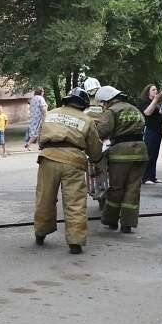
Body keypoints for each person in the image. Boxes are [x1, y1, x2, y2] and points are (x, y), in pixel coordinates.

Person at [34, 87, 103, 254]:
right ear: (83, 104)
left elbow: (41, 139)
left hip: (48, 158)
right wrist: (95, 158)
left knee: (45, 197)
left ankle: (40, 234)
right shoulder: (86, 119)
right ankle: (75, 242)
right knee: (75, 202)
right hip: (73, 161)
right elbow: (94, 149)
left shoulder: (50, 114)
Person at [94, 86, 147, 233]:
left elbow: (102, 131)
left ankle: (110, 221)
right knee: (133, 189)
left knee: (116, 188)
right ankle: (127, 224)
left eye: (103, 103)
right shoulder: (134, 109)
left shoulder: (112, 111)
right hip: (140, 152)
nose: (103, 106)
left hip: (121, 154)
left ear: (107, 100)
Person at [138, 84, 162, 184]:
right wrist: (155, 101)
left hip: (158, 131)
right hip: (150, 130)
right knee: (149, 153)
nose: (155, 91)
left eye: (156, 89)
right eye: (153, 90)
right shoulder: (145, 102)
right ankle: (146, 177)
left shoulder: (156, 103)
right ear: (148, 92)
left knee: (155, 154)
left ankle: (152, 176)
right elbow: (147, 112)